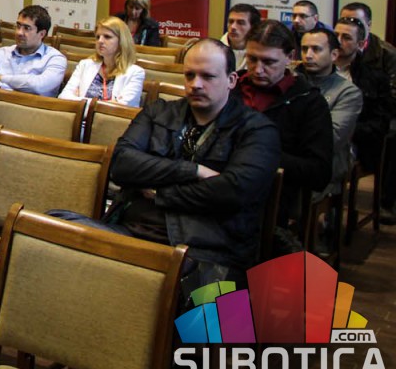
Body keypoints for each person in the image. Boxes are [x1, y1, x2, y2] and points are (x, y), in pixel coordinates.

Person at [72, 39, 281, 286]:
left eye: (208, 76)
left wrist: (160, 192)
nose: (196, 84)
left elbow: (234, 191)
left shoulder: (258, 130)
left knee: (221, 312)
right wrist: (193, 170)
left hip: (208, 253)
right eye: (189, 75)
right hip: (131, 233)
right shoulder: (158, 111)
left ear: (231, 80)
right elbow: (121, 163)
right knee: (56, 230)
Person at [234, 19, 332, 235]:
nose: (258, 69)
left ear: (290, 57)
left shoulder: (308, 101)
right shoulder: (230, 87)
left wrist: (263, 155)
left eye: (269, 62)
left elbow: (319, 172)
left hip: (270, 198)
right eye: (252, 59)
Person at [335, 16, 396, 224]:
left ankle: (329, 218)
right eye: (335, 35)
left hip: (355, 142)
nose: (338, 41)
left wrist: (349, 131)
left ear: (361, 44)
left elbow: (380, 124)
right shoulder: (313, 70)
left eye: (346, 37)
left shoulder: (374, 78)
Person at [297, 27, 361, 196]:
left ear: (334, 55)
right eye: (304, 49)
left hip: (324, 168)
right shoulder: (291, 80)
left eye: (316, 49)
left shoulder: (348, 92)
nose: (308, 55)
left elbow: (329, 140)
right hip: (290, 161)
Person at [58, 16, 146, 107]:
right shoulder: (84, 65)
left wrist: (79, 100)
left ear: (121, 41)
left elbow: (122, 108)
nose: (100, 41)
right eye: (98, 37)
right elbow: (63, 97)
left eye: (107, 37)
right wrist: (110, 103)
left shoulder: (135, 73)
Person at [0, 5, 67, 97]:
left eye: (27, 28)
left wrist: (3, 78)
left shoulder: (55, 59)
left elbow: (39, 85)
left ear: (42, 34)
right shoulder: (1, 54)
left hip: (35, 106)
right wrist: (11, 93)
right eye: (18, 26)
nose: (19, 32)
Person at [339, 2, 396, 99]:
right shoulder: (332, 46)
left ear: (368, 25)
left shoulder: (385, 53)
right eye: (344, 21)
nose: (348, 27)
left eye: (355, 22)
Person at [220, 3, 260, 70]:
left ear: (253, 27)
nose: (233, 27)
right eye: (231, 22)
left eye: (240, 23)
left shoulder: (260, 54)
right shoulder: (214, 51)